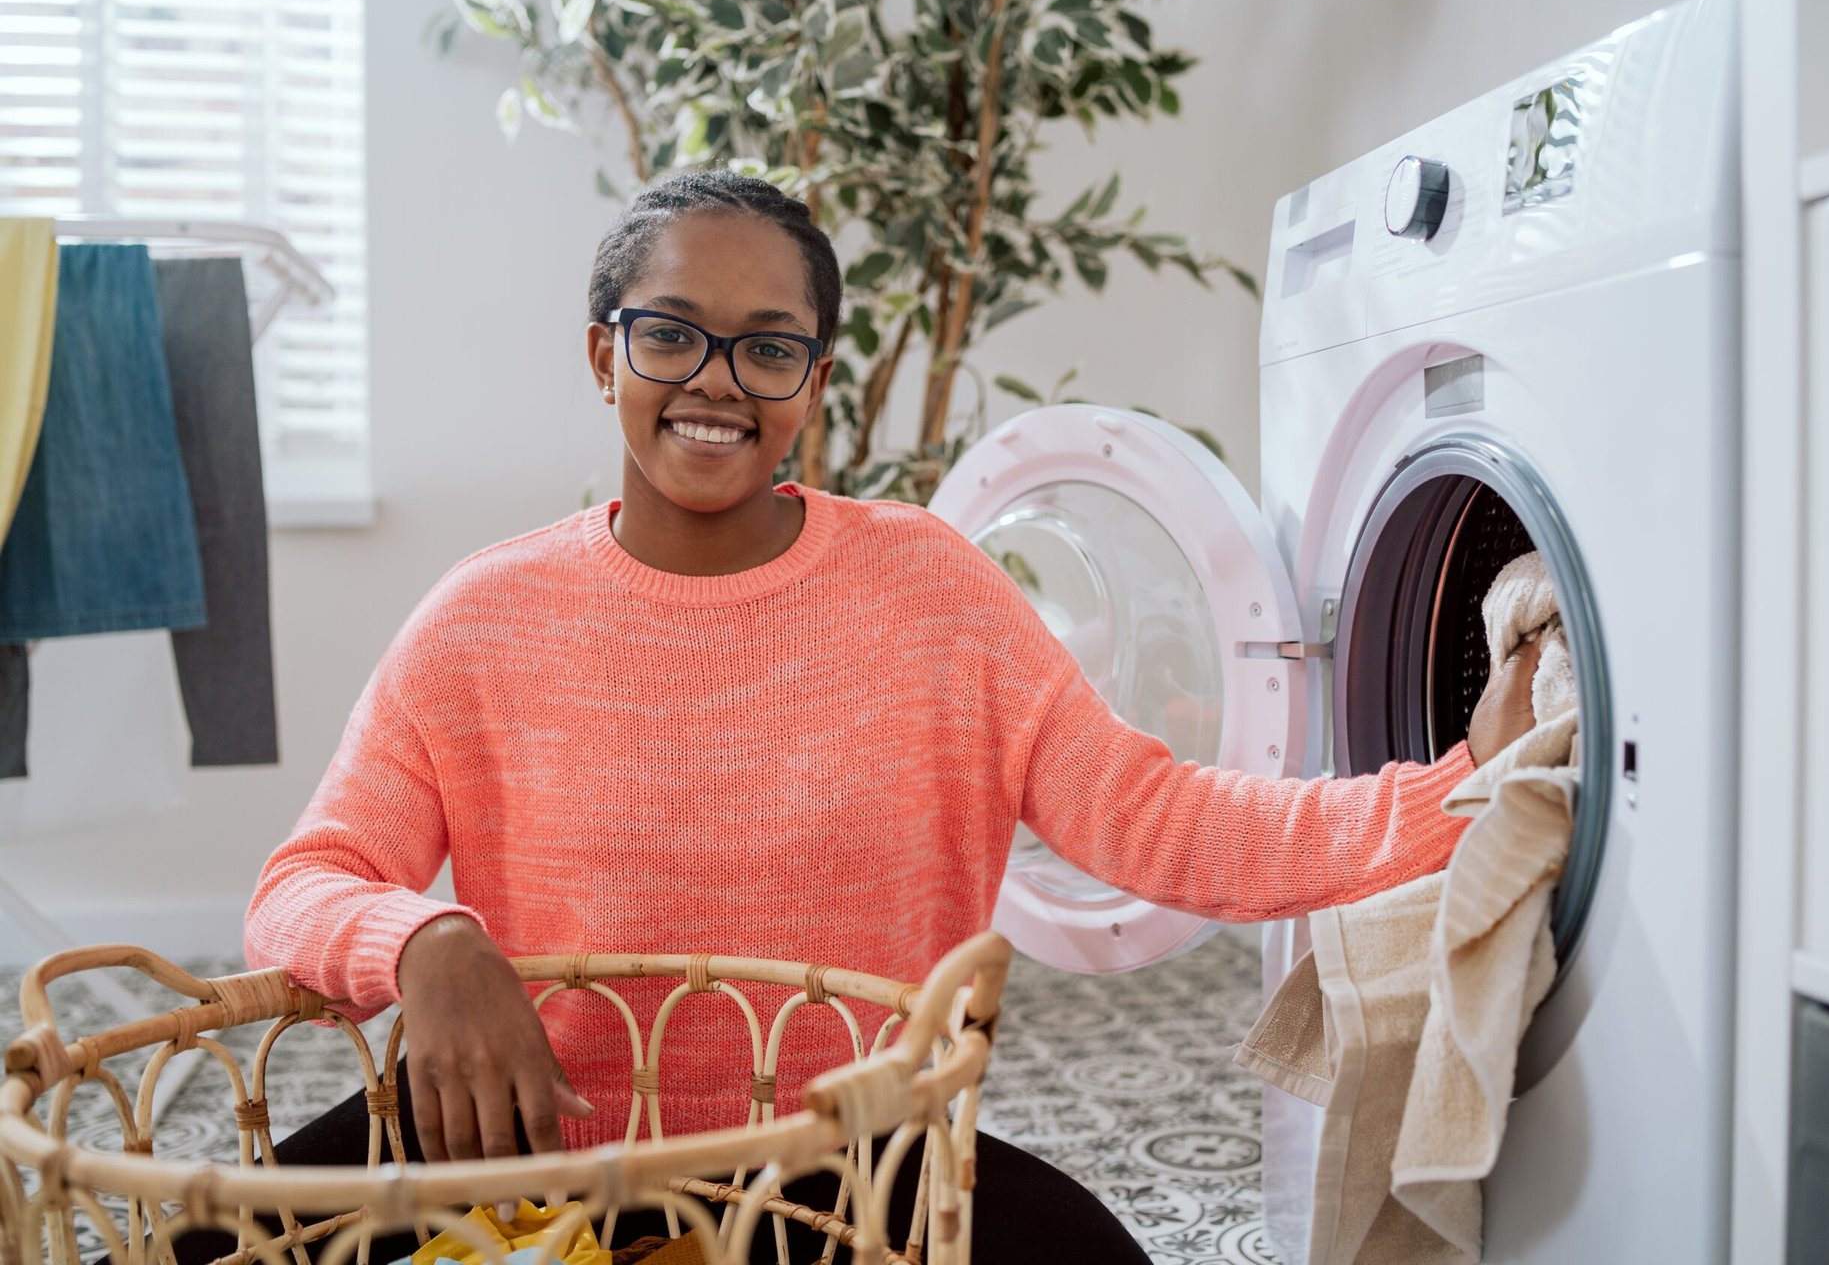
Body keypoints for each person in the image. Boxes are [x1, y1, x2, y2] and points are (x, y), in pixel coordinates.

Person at [238, 169, 1541, 1263]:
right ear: (604, 353)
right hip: (522, 1155)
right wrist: (429, 944)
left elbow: (1155, 820)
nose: (717, 381)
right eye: (670, 332)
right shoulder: (484, 616)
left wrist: (1450, 789)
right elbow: (307, 882)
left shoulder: (928, 588)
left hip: (848, 1161)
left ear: (814, 382)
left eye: (768, 346)